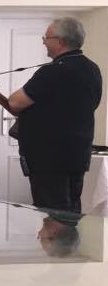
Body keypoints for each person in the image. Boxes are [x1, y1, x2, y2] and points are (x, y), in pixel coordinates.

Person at [8, 17, 102, 213]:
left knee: (51, 214)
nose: (43, 42)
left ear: (60, 41)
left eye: (46, 37)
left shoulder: (52, 71)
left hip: (49, 158)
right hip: (78, 153)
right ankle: (70, 235)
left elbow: (15, 102)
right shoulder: (92, 69)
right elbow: (92, 104)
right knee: (71, 210)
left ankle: (57, 235)